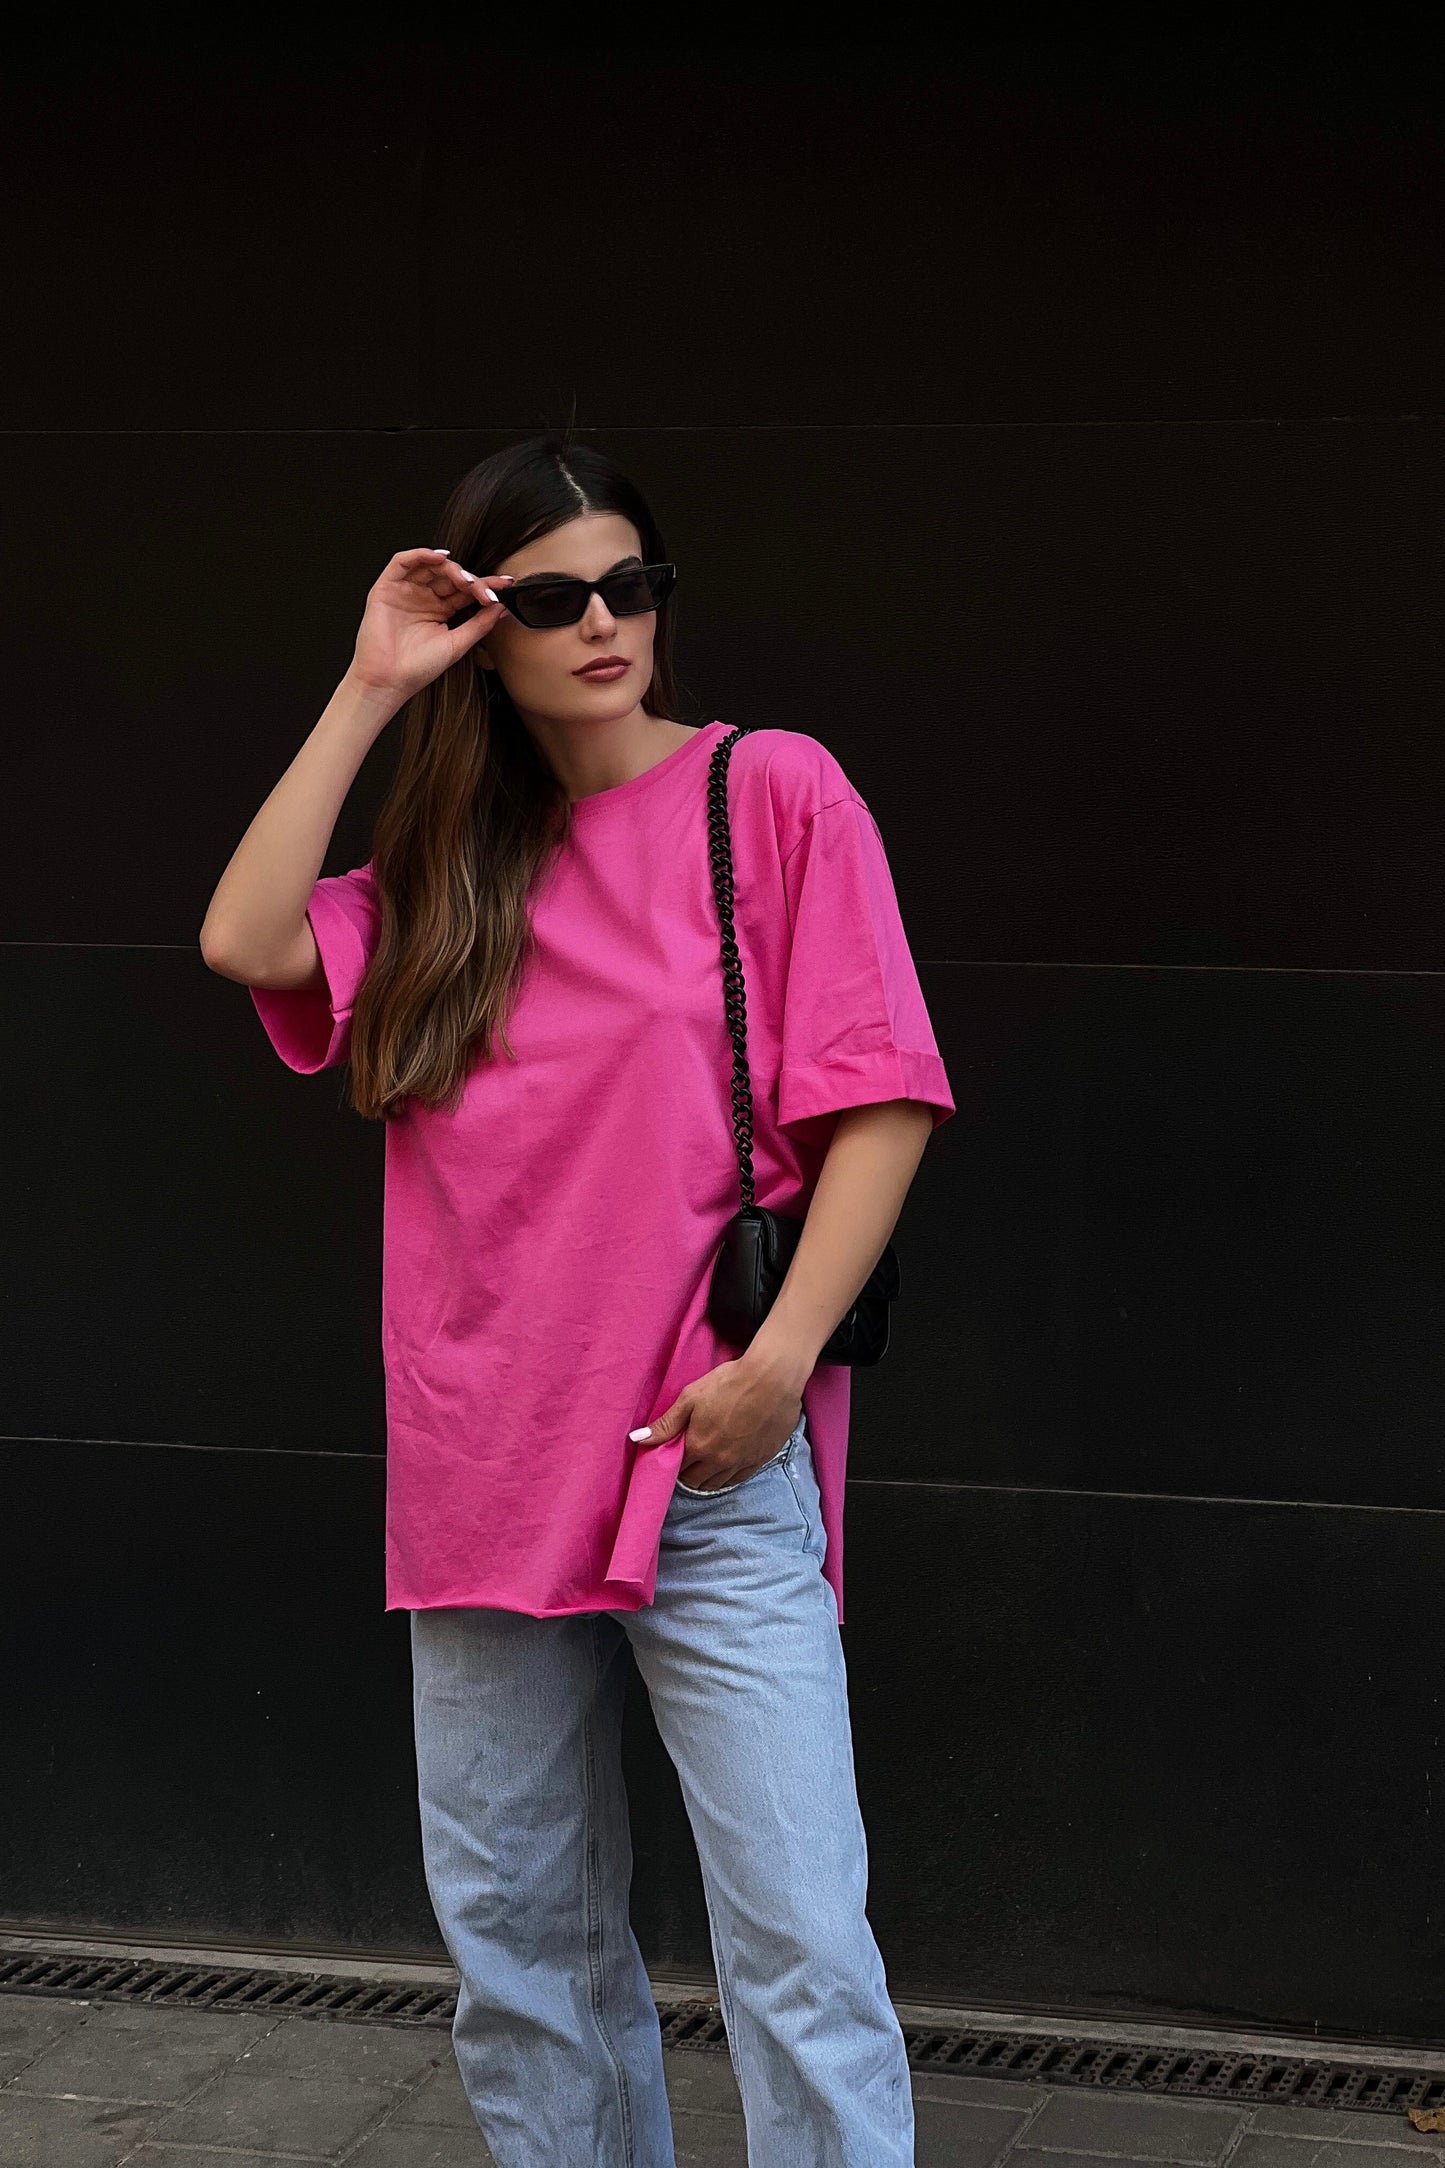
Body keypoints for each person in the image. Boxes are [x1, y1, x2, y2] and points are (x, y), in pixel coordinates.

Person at [200, 434, 954, 2168]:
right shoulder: (448, 869)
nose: (603, 621)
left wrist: (777, 1365)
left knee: (800, 1940)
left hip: (710, 1444)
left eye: (632, 584)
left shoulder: (769, 792)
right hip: (485, 1450)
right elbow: (246, 940)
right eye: (550, 599)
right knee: (520, 1947)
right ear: (486, 631)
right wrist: (372, 685)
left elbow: (881, 1097)